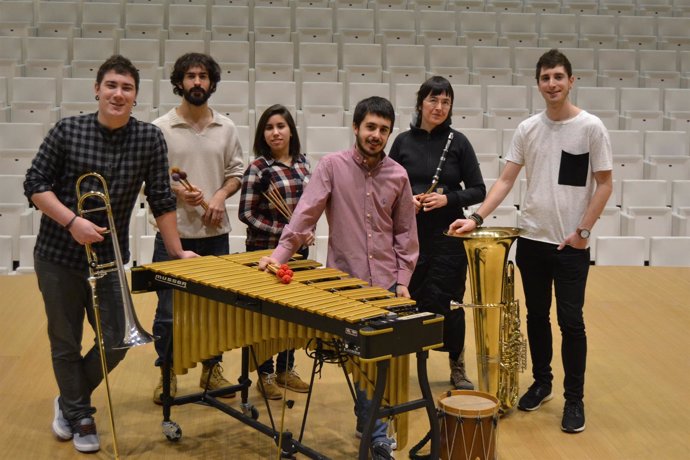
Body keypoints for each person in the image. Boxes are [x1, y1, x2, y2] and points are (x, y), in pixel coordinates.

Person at [23, 55, 197, 454]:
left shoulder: (149, 138)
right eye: (112, 86)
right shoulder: (68, 130)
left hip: (106, 261)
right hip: (57, 255)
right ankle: (81, 413)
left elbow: (160, 197)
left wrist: (176, 251)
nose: (118, 94)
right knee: (65, 341)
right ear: (97, 90)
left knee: (118, 340)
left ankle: (69, 398)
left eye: (127, 88)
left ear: (136, 96)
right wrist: (72, 222)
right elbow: (34, 183)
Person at [449, 49, 613, 434]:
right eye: (545, 78)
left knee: (571, 322)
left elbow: (604, 185)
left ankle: (575, 399)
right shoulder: (528, 129)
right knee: (536, 317)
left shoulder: (592, 128)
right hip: (533, 241)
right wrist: (476, 217)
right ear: (538, 83)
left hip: (571, 246)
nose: (552, 84)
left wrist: (583, 232)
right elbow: (505, 180)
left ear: (571, 81)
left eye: (559, 77)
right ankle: (542, 382)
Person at [258, 96, 417, 460]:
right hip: (346, 285)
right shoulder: (331, 166)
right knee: (363, 361)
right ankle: (374, 429)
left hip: (387, 284)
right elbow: (304, 216)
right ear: (356, 127)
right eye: (370, 127)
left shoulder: (398, 175)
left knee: (381, 362)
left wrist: (404, 278)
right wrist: (279, 256)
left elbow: (406, 234)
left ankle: (371, 426)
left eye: (383, 130)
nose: (376, 135)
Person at [150, 53, 245, 404]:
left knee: (215, 312)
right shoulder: (159, 128)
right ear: (179, 82)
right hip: (173, 235)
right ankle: (168, 372)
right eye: (190, 76)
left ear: (212, 83)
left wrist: (220, 195)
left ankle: (211, 369)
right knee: (168, 313)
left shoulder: (227, 127)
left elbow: (236, 173)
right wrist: (176, 192)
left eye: (203, 76)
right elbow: (152, 179)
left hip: (215, 236)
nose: (197, 82)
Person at [389, 76, 485, 391]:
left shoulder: (459, 142)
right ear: (421, 103)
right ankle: (406, 362)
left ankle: (457, 367)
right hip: (409, 234)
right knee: (408, 299)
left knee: (451, 302)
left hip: (448, 237)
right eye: (433, 100)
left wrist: (447, 199)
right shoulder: (402, 141)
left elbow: (478, 190)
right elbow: (385, 185)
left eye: (445, 102)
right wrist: (408, 201)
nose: (439, 107)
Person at [238, 104, 312, 400]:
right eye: (269, 127)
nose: (275, 132)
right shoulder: (258, 168)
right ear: (262, 134)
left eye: (281, 126)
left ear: (291, 130)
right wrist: (283, 233)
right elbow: (247, 214)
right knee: (265, 317)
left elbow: (312, 206)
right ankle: (264, 374)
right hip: (263, 253)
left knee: (292, 313)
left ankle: (286, 368)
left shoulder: (304, 165)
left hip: (299, 252)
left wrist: (304, 231)